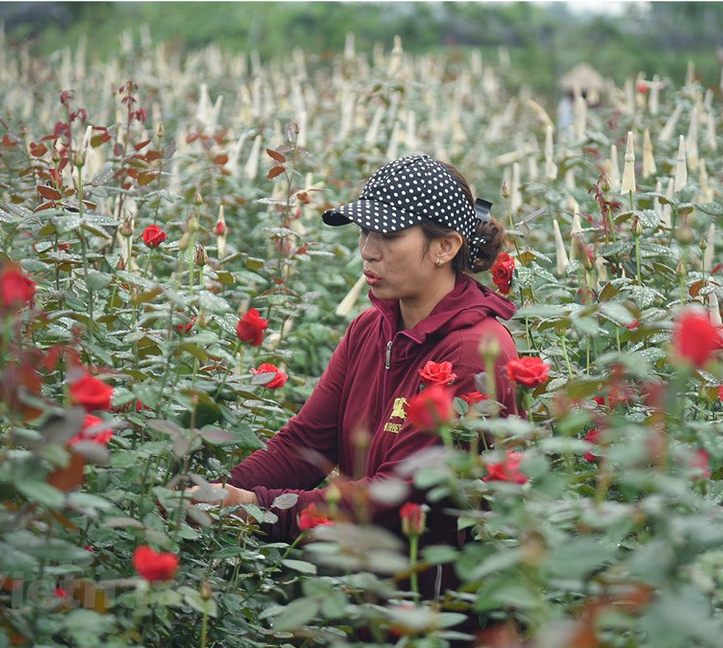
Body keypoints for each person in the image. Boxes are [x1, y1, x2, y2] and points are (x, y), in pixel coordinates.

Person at [197, 154, 520, 601]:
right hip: (360, 593)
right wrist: (214, 492)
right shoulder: (371, 329)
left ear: (445, 247)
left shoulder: (472, 352)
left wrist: (254, 508)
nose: (368, 249)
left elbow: (397, 497)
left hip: (431, 609)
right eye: (365, 231)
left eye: (388, 235)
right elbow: (306, 445)